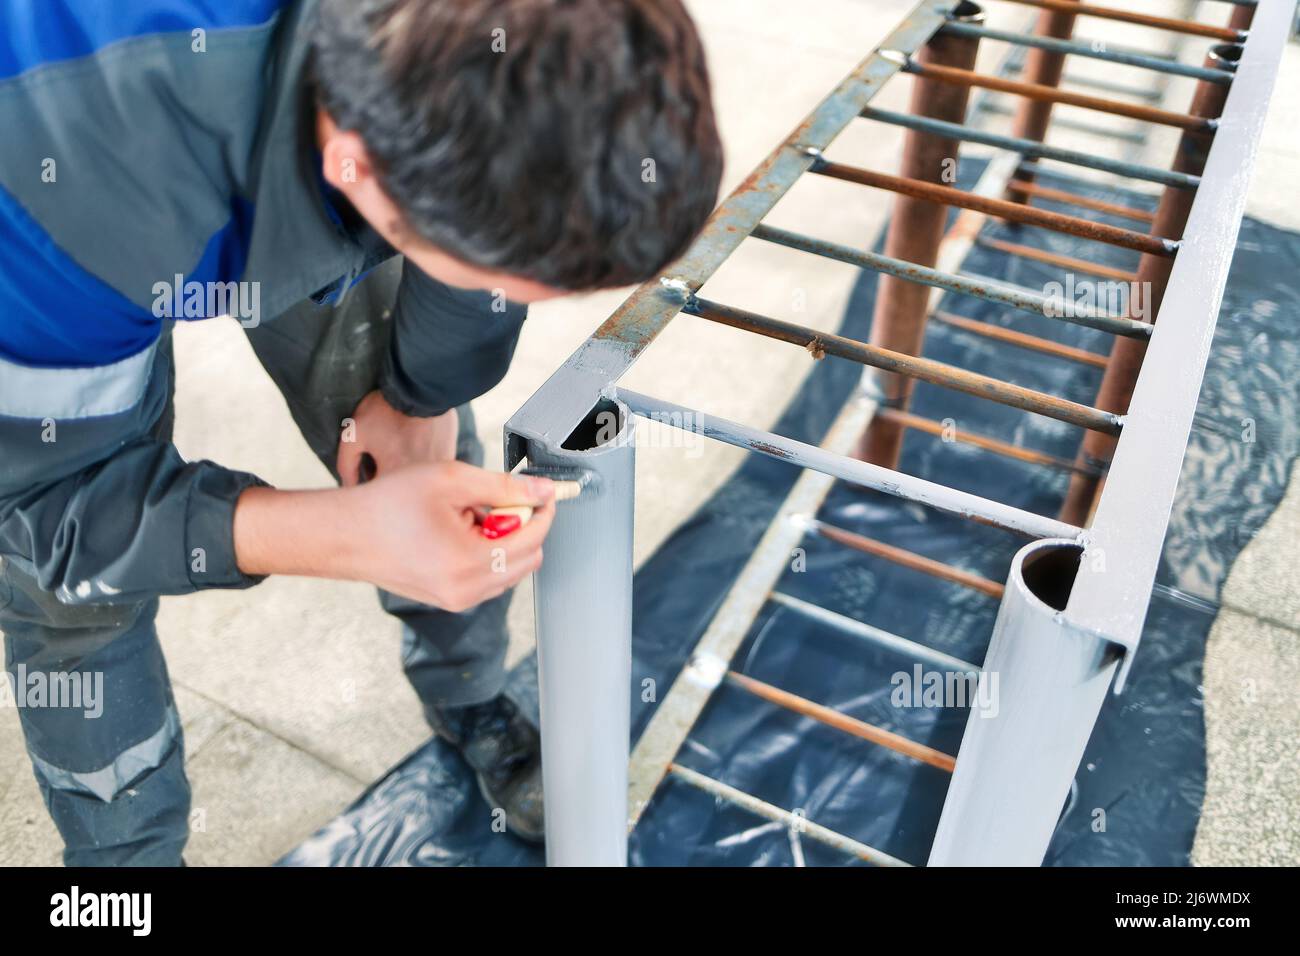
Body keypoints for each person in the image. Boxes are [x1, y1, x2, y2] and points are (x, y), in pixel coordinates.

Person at [0, 0, 722, 865]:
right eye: (503, 280)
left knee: (421, 429)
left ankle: (471, 695)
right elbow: (42, 513)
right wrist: (331, 536)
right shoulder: (60, 190)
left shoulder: (458, 54)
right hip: (70, 221)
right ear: (357, 166)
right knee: (74, 604)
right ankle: (128, 879)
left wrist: (420, 399)